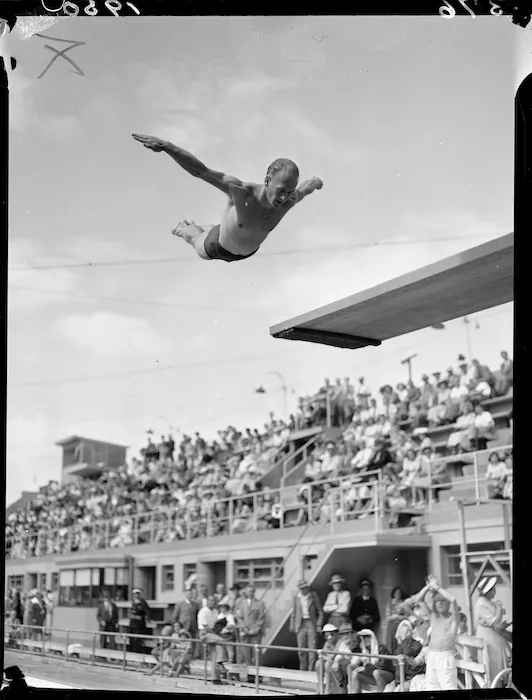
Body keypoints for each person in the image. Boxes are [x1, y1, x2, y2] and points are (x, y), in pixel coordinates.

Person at [132, 134, 323, 263]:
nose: (284, 197)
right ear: (267, 181)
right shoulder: (241, 192)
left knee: (227, 225)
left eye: (289, 192)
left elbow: (305, 188)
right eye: (281, 190)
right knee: (194, 235)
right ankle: (184, 227)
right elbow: (201, 171)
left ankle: (213, 226)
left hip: (247, 251)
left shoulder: (289, 199)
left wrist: (315, 181)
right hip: (217, 247)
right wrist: (167, 147)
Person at [409, 574, 459, 691]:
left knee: (448, 688)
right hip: (432, 656)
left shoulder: (453, 618)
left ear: (447, 604)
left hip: (445, 657)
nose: (440, 603)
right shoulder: (433, 617)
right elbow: (418, 599)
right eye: (438, 601)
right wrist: (428, 587)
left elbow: (454, 600)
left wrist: (436, 588)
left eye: (443, 601)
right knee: (431, 689)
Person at [474, 576, 511, 682]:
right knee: (493, 668)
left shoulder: (488, 602)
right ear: (487, 591)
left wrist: (499, 609)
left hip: (495, 640)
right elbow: (495, 622)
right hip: (489, 641)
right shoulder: (481, 604)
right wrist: (499, 609)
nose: (495, 591)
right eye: (493, 589)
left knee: (499, 667)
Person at [289, 579, 324, 671]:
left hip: (311, 623)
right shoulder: (296, 597)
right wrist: (292, 625)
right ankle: (303, 671)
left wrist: (319, 624)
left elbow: (320, 611)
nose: (304, 589)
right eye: (302, 588)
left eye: (305, 587)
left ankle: (311, 671)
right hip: (300, 624)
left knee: (312, 649)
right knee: (301, 650)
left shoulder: (313, 596)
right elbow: (294, 612)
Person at [350, 628, 394, 693]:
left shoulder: (381, 648)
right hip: (372, 675)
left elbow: (382, 666)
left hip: (387, 675)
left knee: (376, 672)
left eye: (368, 637)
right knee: (355, 673)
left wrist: (366, 668)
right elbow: (354, 661)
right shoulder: (365, 651)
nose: (366, 640)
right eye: (364, 638)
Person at [233, 584, 266, 668]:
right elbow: (238, 616)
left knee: (257, 656)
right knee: (246, 655)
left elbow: (261, 617)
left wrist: (254, 629)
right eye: (248, 591)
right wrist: (244, 627)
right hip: (244, 632)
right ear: (245, 592)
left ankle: (259, 677)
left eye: (251, 591)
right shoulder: (240, 603)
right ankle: (250, 677)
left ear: (254, 592)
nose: (250, 593)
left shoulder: (260, 603)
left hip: (255, 633)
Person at [384, 587, 406, 654]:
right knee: (391, 642)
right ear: (393, 594)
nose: (398, 594)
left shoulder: (404, 603)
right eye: (396, 592)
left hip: (400, 625)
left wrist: (398, 617)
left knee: (399, 642)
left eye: (399, 592)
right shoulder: (390, 603)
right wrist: (393, 617)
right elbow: (388, 617)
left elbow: (407, 616)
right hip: (392, 626)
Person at [129, 588, 150, 654]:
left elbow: (147, 612)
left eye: (138, 594)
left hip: (139, 625)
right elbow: (130, 613)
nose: (136, 595)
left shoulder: (143, 602)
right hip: (132, 624)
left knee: (137, 640)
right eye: (135, 594)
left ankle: (136, 653)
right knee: (131, 639)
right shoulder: (132, 602)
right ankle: (131, 653)